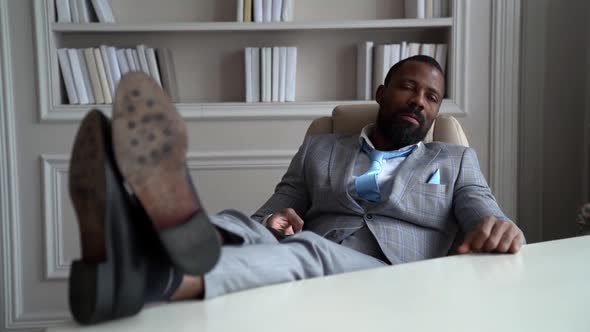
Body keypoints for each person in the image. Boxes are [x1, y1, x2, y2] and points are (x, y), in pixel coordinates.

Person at [67, 55, 525, 325]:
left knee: (307, 248)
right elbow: (275, 207)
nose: (418, 102)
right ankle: (144, 236)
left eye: (431, 98)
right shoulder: (320, 147)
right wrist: (271, 221)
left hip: (392, 276)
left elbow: (484, 211)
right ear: (382, 93)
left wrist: (500, 228)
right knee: (242, 223)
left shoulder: (452, 159)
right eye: (409, 88)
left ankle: (145, 269)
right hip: (311, 251)